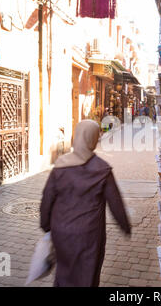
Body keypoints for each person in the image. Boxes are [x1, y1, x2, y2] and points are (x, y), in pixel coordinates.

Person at [40, 120, 131, 287]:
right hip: (89, 235)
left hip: (61, 233)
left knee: (64, 272)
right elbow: (115, 203)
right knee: (87, 276)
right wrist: (125, 226)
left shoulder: (60, 165)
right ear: (93, 139)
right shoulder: (102, 170)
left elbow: (47, 198)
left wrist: (46, 226)